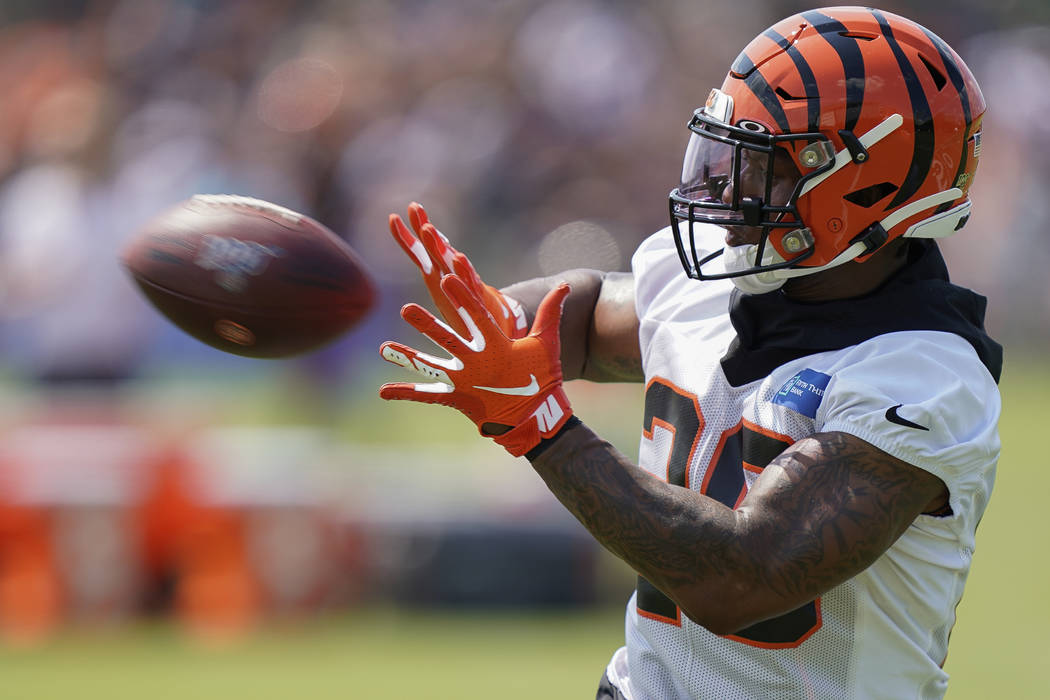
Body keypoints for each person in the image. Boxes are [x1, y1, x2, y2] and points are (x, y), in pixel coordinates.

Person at [378, 7, 1002, 699]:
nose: (729, 187)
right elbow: (581, 314)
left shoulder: (923, 380)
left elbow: (743, 577)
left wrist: (543, 428)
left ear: (863, 186)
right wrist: (498, 322)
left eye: (764, 165)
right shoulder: (721, 274)